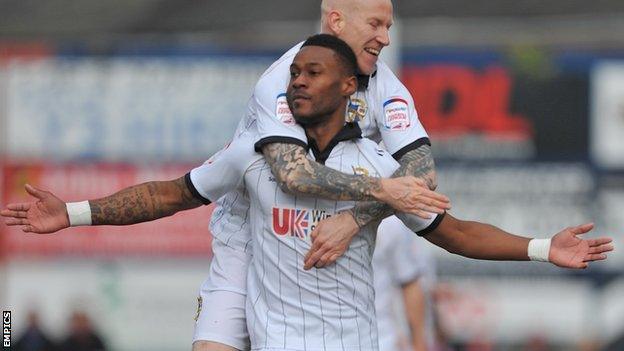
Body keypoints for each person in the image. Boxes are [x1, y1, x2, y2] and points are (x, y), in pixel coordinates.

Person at [2, 35, 614, 351]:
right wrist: (75, 212)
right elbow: (173, 193)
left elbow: (456, 232)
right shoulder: (256, 154)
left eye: (311, 73)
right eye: (293, 73)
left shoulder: (379, 166)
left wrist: (541, 248)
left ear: (351, 86)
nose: (296, 81)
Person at [372, 217, 428, 351]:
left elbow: (409, 282)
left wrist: (419, 344)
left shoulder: (390, 222)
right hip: (320, 334)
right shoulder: (314, 212)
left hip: (381, 337)